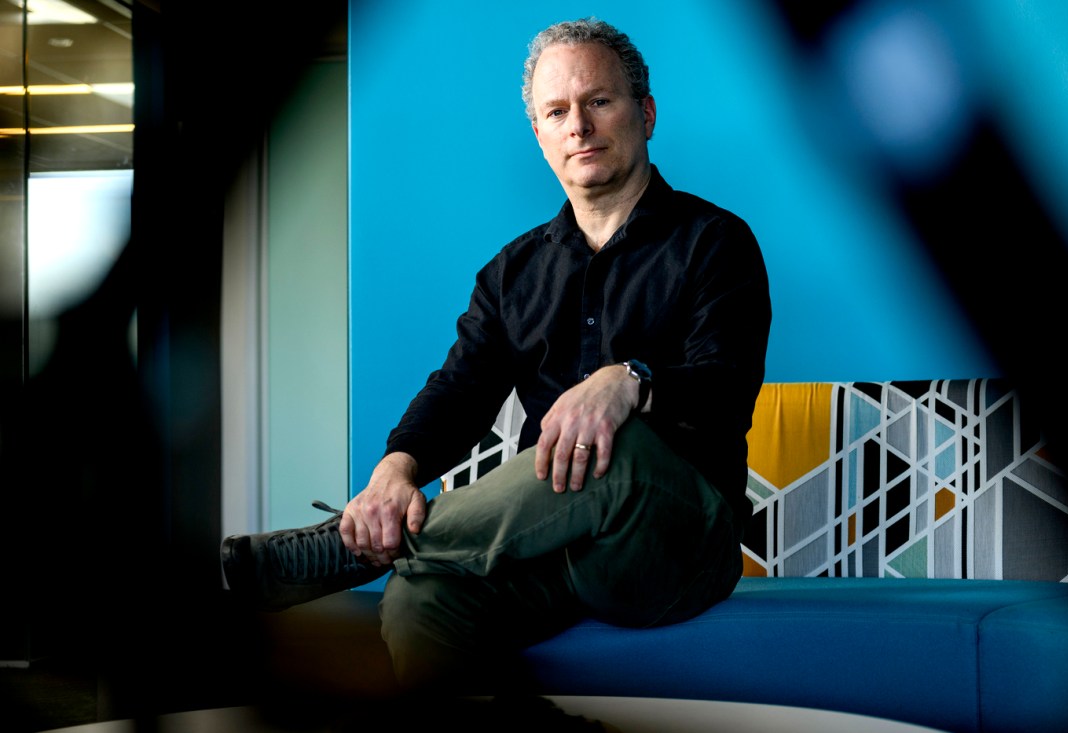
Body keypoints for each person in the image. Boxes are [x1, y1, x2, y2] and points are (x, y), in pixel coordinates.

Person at [222, 17, 771, 694]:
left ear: (645, 113)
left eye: (599, 101)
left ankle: (350, 546)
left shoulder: (716, 242)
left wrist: (630, 380)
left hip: (674, 542)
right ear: (540, 135)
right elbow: (459, 388)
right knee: (421, 598)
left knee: (612, 444)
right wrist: (395, 472)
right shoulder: (511, 274)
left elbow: (726, 384)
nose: (580, 125)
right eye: (557, 111)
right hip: (550, 549)